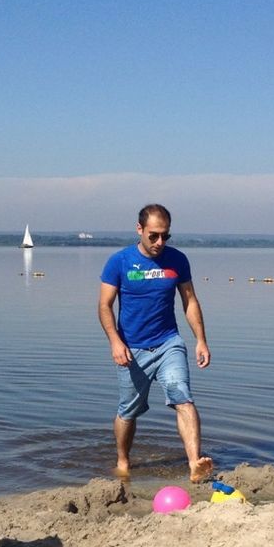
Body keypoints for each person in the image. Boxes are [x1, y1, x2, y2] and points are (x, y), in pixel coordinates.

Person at [98, 204, 214, 483]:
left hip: (168, 343)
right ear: (139, 230)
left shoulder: (177, 260)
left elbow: (190, 301)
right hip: (132, 348)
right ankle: (123, 461)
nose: (160, 242)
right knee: (128, 410)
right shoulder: (119, 261)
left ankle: (194, 464)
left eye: (165, 236)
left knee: (182, 395)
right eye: (153, 236)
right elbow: (104, 305)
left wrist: (201, 340)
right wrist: (115, 341)